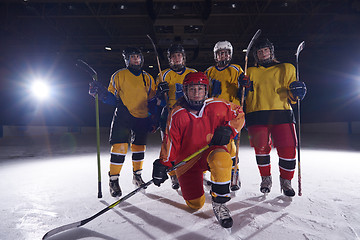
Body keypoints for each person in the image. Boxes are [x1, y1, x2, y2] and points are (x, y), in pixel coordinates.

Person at [152, 72, 245, 228]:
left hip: (211, 152)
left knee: (222, 159)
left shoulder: (217, 105)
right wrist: (163, 164)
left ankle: (219, 202)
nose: (196, 94)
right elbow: (171, 143)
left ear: (206, 90)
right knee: (195, 204)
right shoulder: (177, 114)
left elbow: (239, 113)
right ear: (185, 91)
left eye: (200, 89)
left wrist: (230, 129)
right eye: (192, 89)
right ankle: (200, 178)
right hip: (187, 160)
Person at [238, 37, 307, 197]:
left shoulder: (287, 68)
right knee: (261, 149)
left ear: (271, 51)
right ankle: (266, 179)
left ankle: (286, 181)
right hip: (256, 115)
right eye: (260, 51)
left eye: (266, 50)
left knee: (289, 149)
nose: (263, 53)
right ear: (256, 55)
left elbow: (293, 97)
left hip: (282, 114)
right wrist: (243, 89)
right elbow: (243, 96)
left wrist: (297, 92)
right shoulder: (250, 71)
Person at [89, 47, 157, 197]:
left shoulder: (148, 78)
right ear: (127, 60)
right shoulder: (119, 75)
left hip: (142, 116)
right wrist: (101, 94)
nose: (136, 60)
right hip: (124, 114)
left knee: (139, 148)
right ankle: (113, 180)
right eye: (132, 57)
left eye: (138, 57)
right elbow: (112, 98)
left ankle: (137, 176)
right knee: (119, 147)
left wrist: (153, 117)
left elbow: (152, 100)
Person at [156, 43, 197, 190]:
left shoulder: (193, 72)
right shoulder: (163, 75)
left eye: (179, 55)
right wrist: (160, 93)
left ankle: (191, 171)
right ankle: (174, 174)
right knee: (170, 147)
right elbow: (159, 102)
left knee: (191, 146)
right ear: (169, 59)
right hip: (169, 113)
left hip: (189, 113)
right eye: (173, 56)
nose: (176, 58)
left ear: (184, 57)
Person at [205, 41, 245, 191]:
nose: (224, 55)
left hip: (230, 113)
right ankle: (214, 173)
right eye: (221, 53)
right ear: (216, 55)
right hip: (213, 114)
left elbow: (244, 93)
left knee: (231, 146)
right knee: (213, 145)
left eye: (226, 52)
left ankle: (234, 174)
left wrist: (244, 86)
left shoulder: (237, 69)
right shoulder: (209, 71)